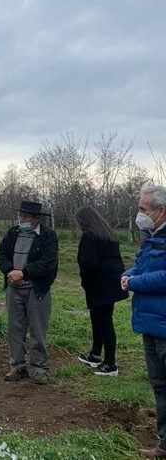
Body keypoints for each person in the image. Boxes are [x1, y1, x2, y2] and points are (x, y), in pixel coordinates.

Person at [122, 186, 166, 458]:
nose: (140, 216)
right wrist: (129, 274)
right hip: (151, 324)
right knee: (160, 385)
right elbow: (143, 266)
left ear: (161, 211)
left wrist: (135, 282)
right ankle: (164, 443)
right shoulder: (151, 238)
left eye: (143, 210)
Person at [0, 200, 58, 385]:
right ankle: (17, 365)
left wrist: (24, 273)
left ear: (36, 219)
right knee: (15, 329)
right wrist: (10, 272)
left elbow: (48, 262)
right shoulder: (12, 233)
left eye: (25, 217)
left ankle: (39, 368)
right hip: (13, 288)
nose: (21, 219)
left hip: (36, 289)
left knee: (38, 330)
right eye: (20, 216)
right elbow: (1, 255)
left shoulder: (48, 237)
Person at [74, 206, 127, 376]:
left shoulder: (89, 236)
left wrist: (86, 283)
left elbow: (88, 263)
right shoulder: (108, 234)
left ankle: (110, 363)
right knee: (98, 318)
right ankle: (95, 354)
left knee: (104, 321)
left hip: (98, 284)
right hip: (110, 283)